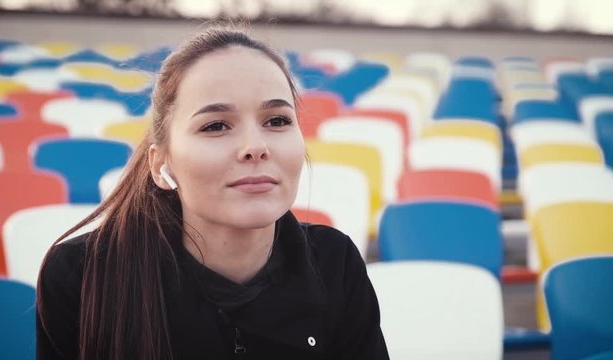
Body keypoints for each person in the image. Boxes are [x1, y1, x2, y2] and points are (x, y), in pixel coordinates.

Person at [36, 25, 389, 360]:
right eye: (216, 125)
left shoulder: (336, 263)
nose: (255, 146)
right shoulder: (81, 275)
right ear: (161, 165)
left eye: (277, 120)